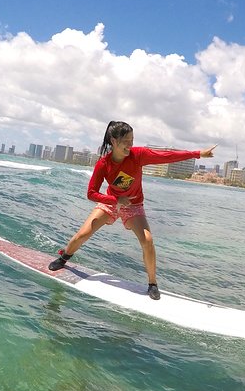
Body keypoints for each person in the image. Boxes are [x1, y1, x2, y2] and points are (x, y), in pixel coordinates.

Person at [48, 121, 216, 300]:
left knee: (148, 240)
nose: (130, 145)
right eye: (126, 141)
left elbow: (166, 155)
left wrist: (198, 154)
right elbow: (91, 193)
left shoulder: (138, 155)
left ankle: (152, 284)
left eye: (132, 140)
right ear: (114, 141)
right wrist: (115, 200)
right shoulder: (103, 164)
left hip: (134, 206)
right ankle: (64, 258)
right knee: (82, 235)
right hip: (111, 202)